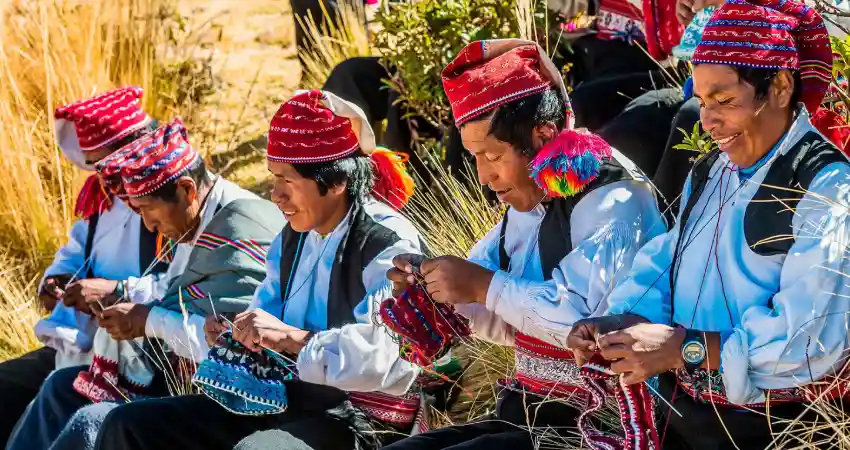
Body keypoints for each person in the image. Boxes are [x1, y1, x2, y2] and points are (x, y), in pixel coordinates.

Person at [567, 1, 850, 448]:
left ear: (780, 87)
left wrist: (683, 348)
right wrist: (620, 322)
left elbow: (810, 340)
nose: (707, 120)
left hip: (772, 430)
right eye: (701, 101)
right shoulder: (712, 171)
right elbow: (668, 261)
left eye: (724, 101)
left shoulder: (826, 184)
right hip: (689, 418)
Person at [92, 90, 428, 450]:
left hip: (360, 417)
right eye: (274, 178)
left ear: (336, 182)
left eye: (288, 181)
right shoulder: (293, 237)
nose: (276, 195)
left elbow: (386, 357)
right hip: (286, 399)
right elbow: (266, 315)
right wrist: (237, 333)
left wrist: (292, 339)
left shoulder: (387, 242)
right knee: (129, 425)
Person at [381, 39, 667, 450]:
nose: (484, 176)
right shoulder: (531, 199)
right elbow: (502, 314)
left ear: (543, 134)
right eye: (475, 156)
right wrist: (436, 292)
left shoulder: (616, 198)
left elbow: (579, 322)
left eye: (493, 156)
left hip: (592, 426)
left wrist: (482, 286)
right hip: (530, 413)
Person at [6, 119, 285, 450]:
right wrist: (127, 303)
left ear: (186, 190)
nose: (149, 226)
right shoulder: (192, 220)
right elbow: (172, 294)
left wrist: (148, 320)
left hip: (226, 396)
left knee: (95, 420)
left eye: (149, 210)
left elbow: (237, 346)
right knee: (60, 387)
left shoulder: (240, 228)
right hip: (168, 370)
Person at [0, 86, 165, 445]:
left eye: (105, 163)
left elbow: (185, 286)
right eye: (94, 166)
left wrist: (116, 291)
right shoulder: (101, 202)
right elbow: (74, 254)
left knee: (60, 402)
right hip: (80, 344)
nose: (102, 176)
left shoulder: (167, 200)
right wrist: (55, 281)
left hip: (138, 358)